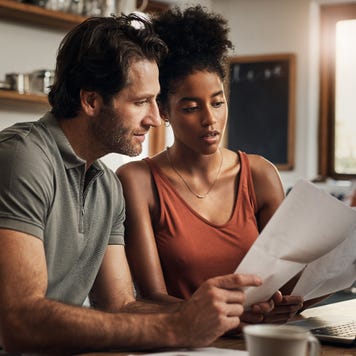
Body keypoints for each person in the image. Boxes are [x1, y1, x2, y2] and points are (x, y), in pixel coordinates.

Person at [0, 14, 263, 354]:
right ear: (91, 101)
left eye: (155, 100)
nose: (155, 118)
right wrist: (177, 326)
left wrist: (219, 315)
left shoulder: (107, 187)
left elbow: (120, 305)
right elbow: (18, 322)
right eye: (140, 102)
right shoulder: (23, 159)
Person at [116, 5, 304, 327]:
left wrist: (292, 300)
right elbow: (150, 298)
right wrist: (228, 315)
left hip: (258, 342)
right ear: (163, 111)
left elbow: (289, 284)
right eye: (191, 108)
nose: (210, 120)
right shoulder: (138, 181)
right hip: (183, 344)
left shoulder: (259, 175)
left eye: (217, 102)